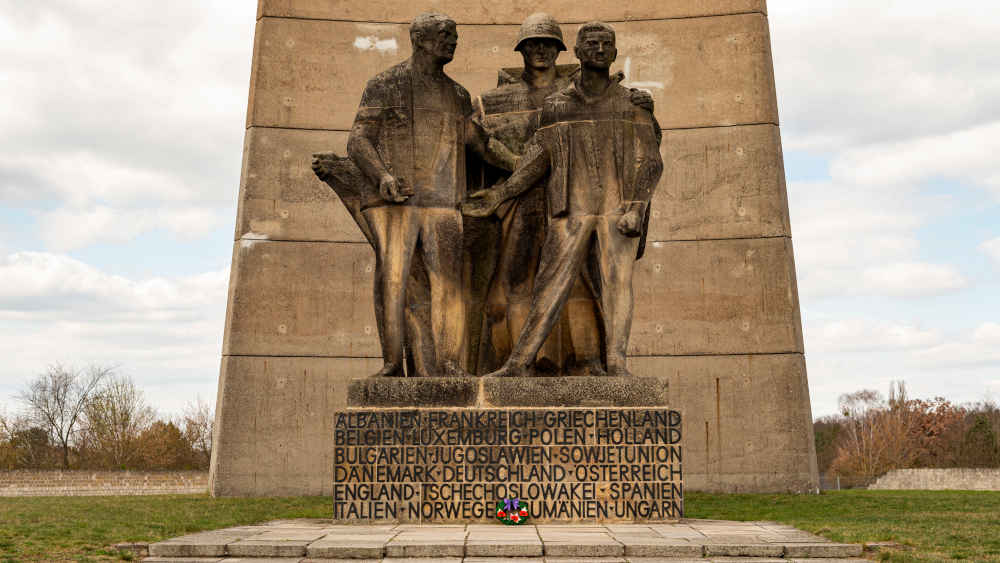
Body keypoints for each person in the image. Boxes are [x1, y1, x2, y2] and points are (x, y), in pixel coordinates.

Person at [463, 21, 664, 378]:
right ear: (579, 52)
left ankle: (617, 364)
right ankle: (518, 362)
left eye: (606, 45)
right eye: (591, 44)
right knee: (549, 284)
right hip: (570, 210)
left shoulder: (630, 102)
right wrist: (501, 194)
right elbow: (537, 158)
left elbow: (650, 159)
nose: (599, 50)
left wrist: (636, 206)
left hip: (617, 211)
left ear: (614, 53)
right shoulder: (559, 105)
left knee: (616, 286)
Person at [348, 12, 517, 378]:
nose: (453, 41)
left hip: (443, 206)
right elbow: (358, 140)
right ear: (419, 38)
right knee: (391, 282)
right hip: (396, 203)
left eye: (455, 36)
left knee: (448, 286)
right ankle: (392, 364)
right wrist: (383, 176)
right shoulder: (385, 84)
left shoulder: (457, 95)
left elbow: (481, 143)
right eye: (445, 34)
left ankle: (450, 363)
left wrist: (521, 164)